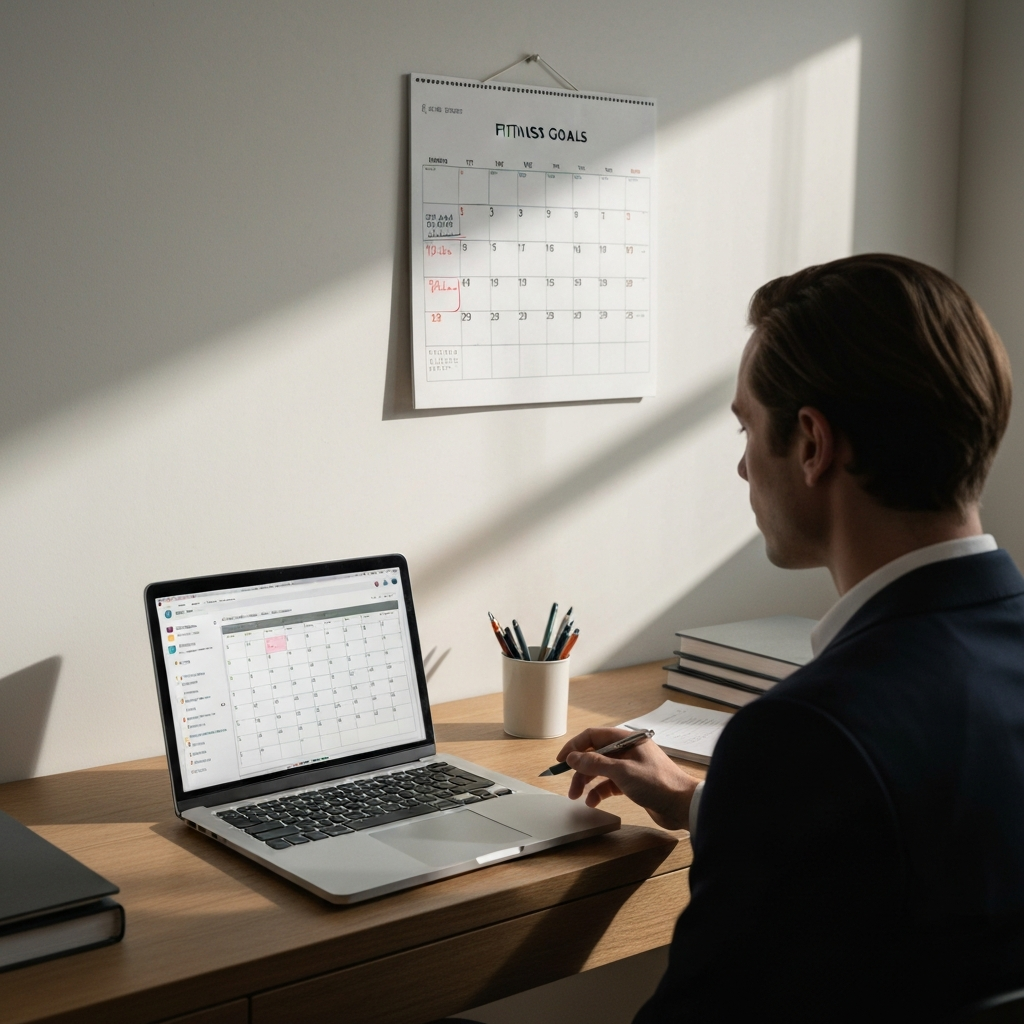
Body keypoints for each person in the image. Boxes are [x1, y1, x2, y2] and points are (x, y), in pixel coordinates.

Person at [557, 254, 1024, 1022]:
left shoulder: (806, 737)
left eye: (746, 425)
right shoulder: (827, 755)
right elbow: (916, 850)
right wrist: (705, 803)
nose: (743, 465)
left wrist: (761, 790)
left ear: (811, 443)